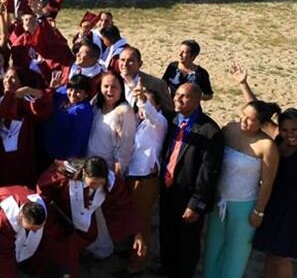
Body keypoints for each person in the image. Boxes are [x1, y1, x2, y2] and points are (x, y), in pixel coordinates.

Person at [203, 100, 279, 278]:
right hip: (219, 200)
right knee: (213, 247)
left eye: (251, 119)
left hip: (244, 205)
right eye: (242, 115)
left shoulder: (267, 146)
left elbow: (267, 182)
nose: (243, 121)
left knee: (237, 252)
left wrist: (259, 211)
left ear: (262, 124)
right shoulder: (230, 129)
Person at [157, 83, 223, 278]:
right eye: (177, 94)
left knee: (188, 241)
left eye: (184, 97)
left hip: (189, 196)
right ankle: (167, 269)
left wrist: (195, 203)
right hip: (168, 188)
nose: (178, 99)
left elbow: (209, 171)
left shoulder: (210, 131)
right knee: (166, 232)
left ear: (197, 100)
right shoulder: (170, 120)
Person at [37, 157, 144, 267]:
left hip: (93, 215)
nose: (96, 186)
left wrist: (136, 232)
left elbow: (124, 206)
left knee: (99, 243)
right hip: (66, 215)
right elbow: (44, 189)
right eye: (93, 182)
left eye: (100, 183)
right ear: (84, 173)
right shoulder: (64, 174)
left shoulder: (111, 182)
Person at [123, 86, 168, 276]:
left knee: (141, 222)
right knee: (132, 221)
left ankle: (137, 266)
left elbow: (151, 115)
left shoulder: (158, 123)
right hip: (133, 177)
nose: (143, 106)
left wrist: (143, 100)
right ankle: (131, 259)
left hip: (145, 180)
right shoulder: (139, 122)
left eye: (149, 102)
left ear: (156, 105)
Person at [252, 108, 297, 278]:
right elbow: (258, 112)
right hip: (274, 205)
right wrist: (243, 85)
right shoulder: (278, 141)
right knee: (270, 253)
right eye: (285, 130)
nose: (289, 134)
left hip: (291, 213)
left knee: (281, 257)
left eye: (294, 130)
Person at [87, 72, 136, 178]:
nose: (109, 90)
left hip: (107, 171)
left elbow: (125, 145)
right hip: (89, 166)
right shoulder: (95, 105)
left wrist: (118, 172)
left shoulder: (124, 111)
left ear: (121, 90)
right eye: (106, 86)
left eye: (114, 87)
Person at [44, 73, 94, 162]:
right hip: (48, 150)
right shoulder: (63, 98)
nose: (73, 93)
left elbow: (78, 139)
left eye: (78, 91)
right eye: (70, 89)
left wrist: (69, 161)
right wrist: (52, 88)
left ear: (86, 94)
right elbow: (48, 98)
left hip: (62, 158)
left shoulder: (83, 111)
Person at [118, 46, 174, 114]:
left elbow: (169, 113)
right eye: (122, 60)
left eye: (130, 60)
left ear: (140, 64)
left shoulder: (157, 85)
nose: (125, 64)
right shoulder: (112, 82)